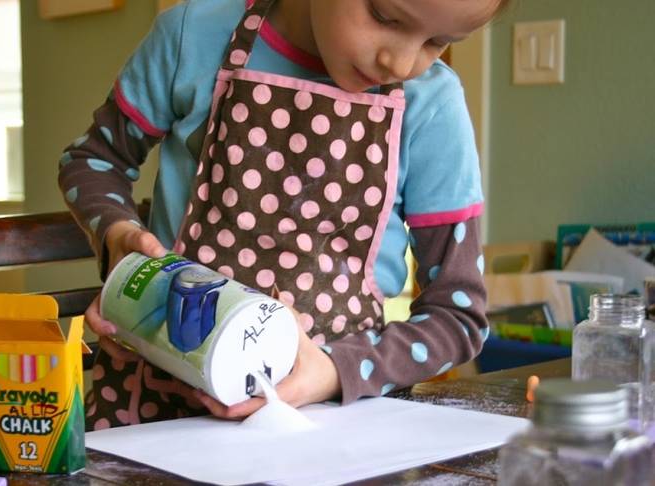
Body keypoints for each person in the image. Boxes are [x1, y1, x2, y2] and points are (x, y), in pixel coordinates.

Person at [59, 0, 508, 431]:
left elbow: (457, 318)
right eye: (384, 16)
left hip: (324, 427)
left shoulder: (431, 104)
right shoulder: (193, 37)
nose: (401, 61)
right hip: (151, 412)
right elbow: (95, 160)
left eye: (439, 42)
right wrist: (118, 235)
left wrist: (333, 372)